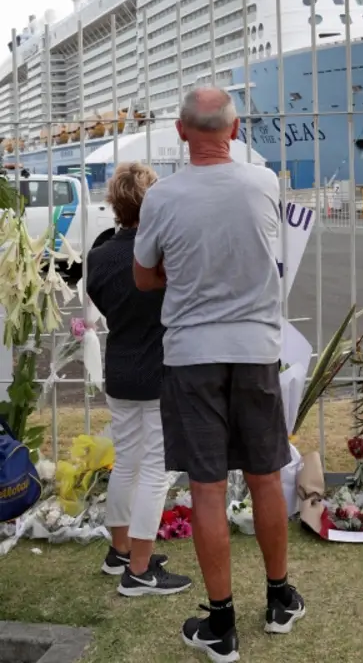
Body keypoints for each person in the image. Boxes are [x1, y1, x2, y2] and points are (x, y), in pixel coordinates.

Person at [134, 87, 305, 662]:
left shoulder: (161, 197)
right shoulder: (263, 183)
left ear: (181, 133)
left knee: (206, 488)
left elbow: (143, 277)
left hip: (191, 354)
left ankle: (221, 623)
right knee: (264, 474)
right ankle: (280, 598)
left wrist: (179, 278)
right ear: (233, 131)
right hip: (255, 346)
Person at [86, 161, 192, 598]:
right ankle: (141, 569)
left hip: (121, 366)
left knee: (127, 462)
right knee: (154, 470)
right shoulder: (161, 254)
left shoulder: (98, 254)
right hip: (157, 369)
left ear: (113, 203)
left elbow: (100, 296)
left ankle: (120, 551)